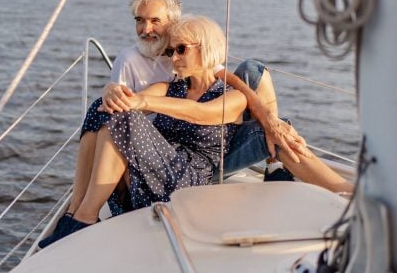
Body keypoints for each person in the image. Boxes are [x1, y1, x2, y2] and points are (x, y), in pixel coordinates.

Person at [40, 15, 249, 247]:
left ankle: (84, 218)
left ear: (207, 47)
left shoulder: (233, 97)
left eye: (181, 49)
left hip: (186, 184)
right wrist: (112, 90)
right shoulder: (171, 88)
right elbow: (130, 99)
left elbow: (198, 112)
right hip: (149, 179)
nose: (175, 58)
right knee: (103, 108)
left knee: (126, 117)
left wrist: (142, 103)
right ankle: (76, 210)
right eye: (171, 52)